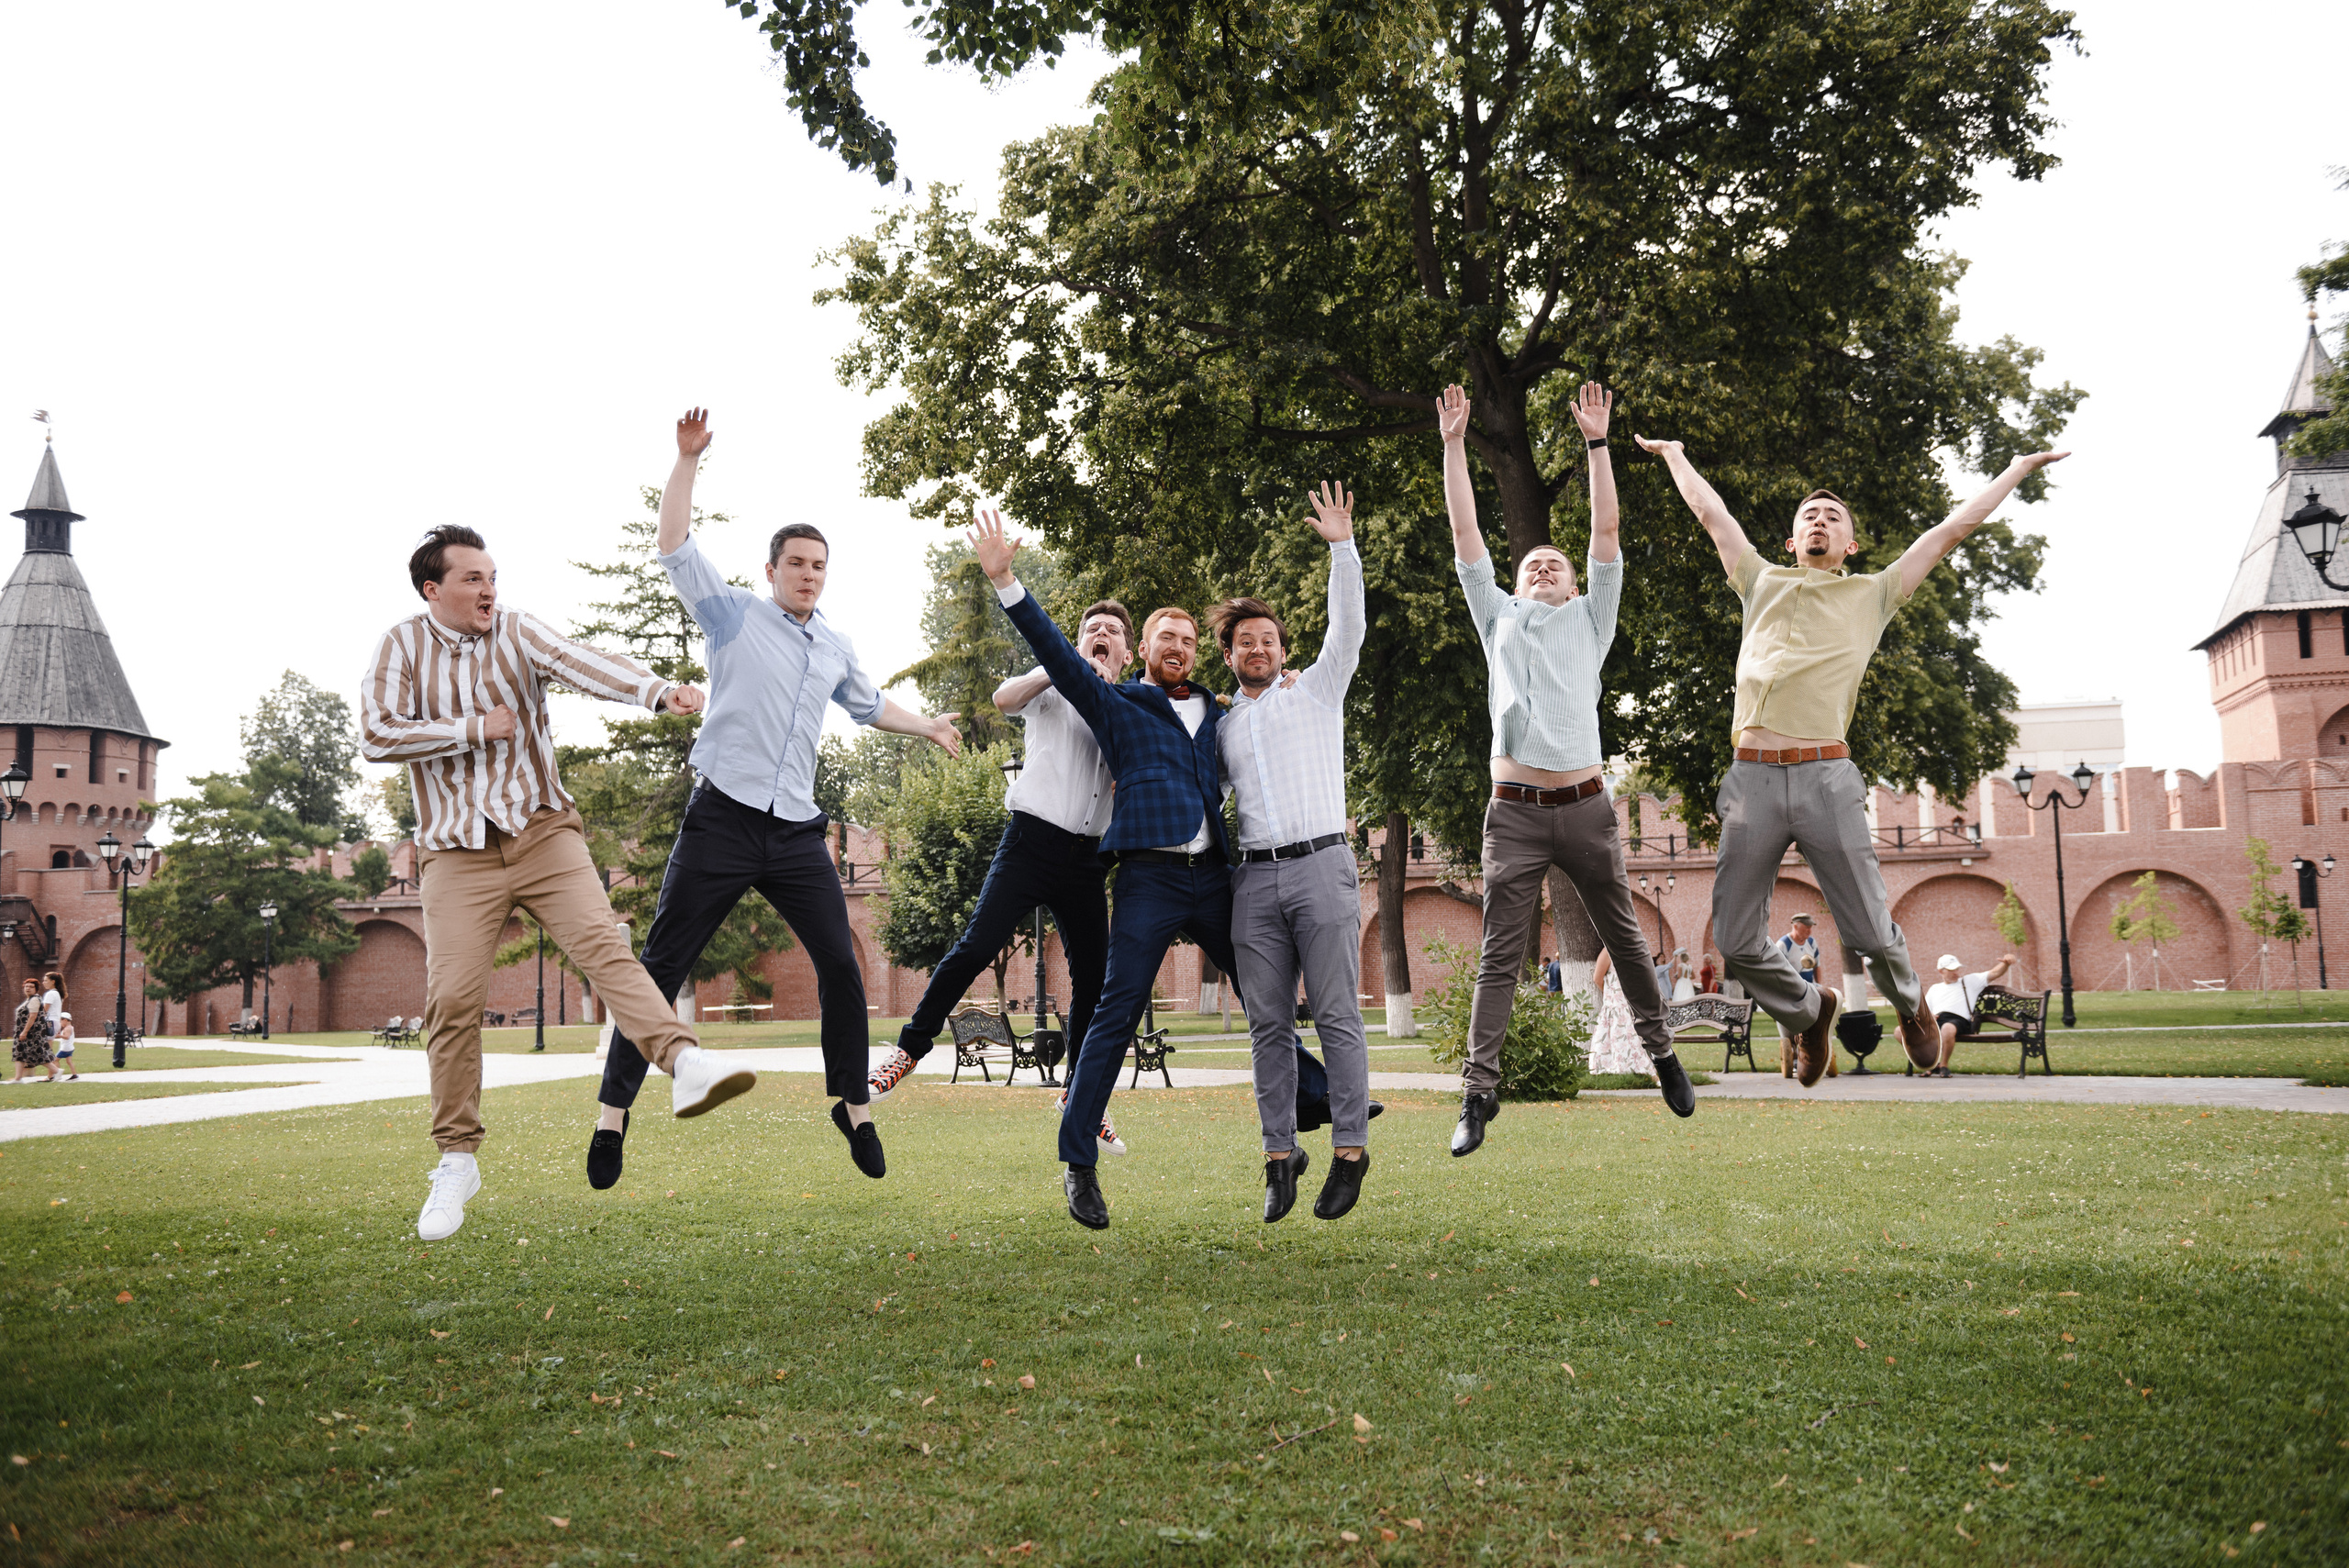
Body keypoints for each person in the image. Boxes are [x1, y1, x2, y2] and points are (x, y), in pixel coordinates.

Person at [587, 409, 964, 1190]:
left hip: (796, 831)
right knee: (660, 966)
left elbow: (869, 705)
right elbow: (674, 548)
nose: (809, 575)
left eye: (819, 565)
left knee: (841, 965)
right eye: (797, 563)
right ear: (771, 569)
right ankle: (613, 1112)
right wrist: (687, 461)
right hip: (722, 817)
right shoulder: (733, 618)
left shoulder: (834, 644)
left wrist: (928, 725)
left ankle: (852, 1105)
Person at [1634, 430, 2068, 1084]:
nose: (1819, 519)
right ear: (1790, 540)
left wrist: (2012, 470)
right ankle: (1811, 1013)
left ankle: (1914, 1007)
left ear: (1850, 544)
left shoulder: (1874, 593)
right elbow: (1711, 514)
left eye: (1832, 517)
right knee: (1734, 938)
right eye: (1808, 514)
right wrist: (1673, 456)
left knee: (1867, 927)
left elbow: (1949, 531)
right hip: (1751, 778)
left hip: (1825, 776)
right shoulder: (1760, 580)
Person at [361, 517, 745, 1242]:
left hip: (541, 831)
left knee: (605, 947)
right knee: (452, 998)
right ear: (431, 587)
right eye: (473, 578)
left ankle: (684, 1062)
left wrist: (656, 690)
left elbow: (582, 661)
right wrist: (474, 728)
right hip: (456, 854)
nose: (488, 589)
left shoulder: (516, 632)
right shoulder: (400, 646)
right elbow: (377, 733)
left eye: (493, 576)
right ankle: (456, 1158)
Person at [971, 511, 1339, 1230]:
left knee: (1265, 995)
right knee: (1114, 1011)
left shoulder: (1220, 708)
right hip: (1148, 878)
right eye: (1166, 637)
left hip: (1217, 879)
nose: (1179, 647)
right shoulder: (1119, 701)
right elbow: (1057, 650)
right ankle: (1079, 1162)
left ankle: (1312, 1103)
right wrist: (1007, 582)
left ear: (1201, 656)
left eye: (1190, 640)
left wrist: (1291, 686)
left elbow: (1271, 729)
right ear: (1144, 648)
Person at [1440, 380, 1695, 1156]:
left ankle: (1662, 1056)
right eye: (1533, 564)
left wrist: (1597, 444)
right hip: (1514, 812)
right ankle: (1477, 1096)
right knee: (1498, 952)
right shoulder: (1498, 620)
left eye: (1556, 562)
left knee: (1625, 935)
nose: (1545, 565)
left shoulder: (1592, 618)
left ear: (1579, 584)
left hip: (1585, 807)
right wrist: (1453, 445)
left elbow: (1607, 526)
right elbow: (1466, 535)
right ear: (1515, 587)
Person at [865, 600, 1134, 1162]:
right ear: (1078, 643)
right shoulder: (1052, 688)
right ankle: (908, 1052)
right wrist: (1063, 665)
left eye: (1112, 632)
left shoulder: (1129, 706)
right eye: (1092, 631)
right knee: (975, 946)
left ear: (1128, 653)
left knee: (1093, 978)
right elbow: (1003, 698)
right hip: (1031, 844)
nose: (1101, 635)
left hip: (1088, 859)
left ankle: (1080, 1094)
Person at [1213, 480, 1373, 1224]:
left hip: (1321, 866)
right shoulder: (1218, 731)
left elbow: (1349, 631)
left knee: (1337, 1014)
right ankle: (1280, 1155)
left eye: (1269, 640)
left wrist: (1343, 547)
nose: (1259, 649)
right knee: (1267, 1026)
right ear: (1230, 654)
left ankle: (1349, 1150)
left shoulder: (1317, 693)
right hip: (1254, 881)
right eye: (1245, 641)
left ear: (1284, 650)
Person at [1926, 951, 2017, 1077]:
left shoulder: (1969, 982)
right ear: (1941, 971)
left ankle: (1944, 1065)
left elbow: (1994, 973)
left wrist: (2006, 963)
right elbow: (1924, 1011)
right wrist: (1929, 1015)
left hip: (1959, 1021)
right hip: (1936, 1021)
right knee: (1899, 1032)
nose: (1956, 972)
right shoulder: (1935, 989)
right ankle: (1930, 1064)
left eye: (1957, 969)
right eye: (1951, 970)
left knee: (1947, 1028)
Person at [1584, 950, 1647, 1077]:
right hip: (1615, 1003)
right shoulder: (1607, 951)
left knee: (1631, 1037)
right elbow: (1597, 978)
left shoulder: (1630, 949)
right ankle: (1621, 1069)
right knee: (1615, 1037)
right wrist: (1611, 994)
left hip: (1631, 1004)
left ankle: (1638, 1069)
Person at [10, 978, 50, 1084]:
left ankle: (56, 1070)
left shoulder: (34, 1000)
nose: (28, 988)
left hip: (29, 1033)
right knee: (19, 1054)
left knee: (37, 1055)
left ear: (36, 989)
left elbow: (32, 1017)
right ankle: (18, 1078)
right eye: (26, 986)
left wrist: (24, 1032)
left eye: (31, 987)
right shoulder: (29, 1000)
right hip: (23, 1032)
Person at [52, 1010, 75, 1081]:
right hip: (70, 1048)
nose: (60, 1023)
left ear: (65, 1020)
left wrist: (59, 1036)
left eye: (60, 1021)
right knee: (69, 1062)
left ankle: (58, 1074)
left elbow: (67, 1037)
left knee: (55, 1060)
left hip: (65, 1048)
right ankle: (75, 1075)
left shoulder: (67, 1028)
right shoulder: (70, 1027)